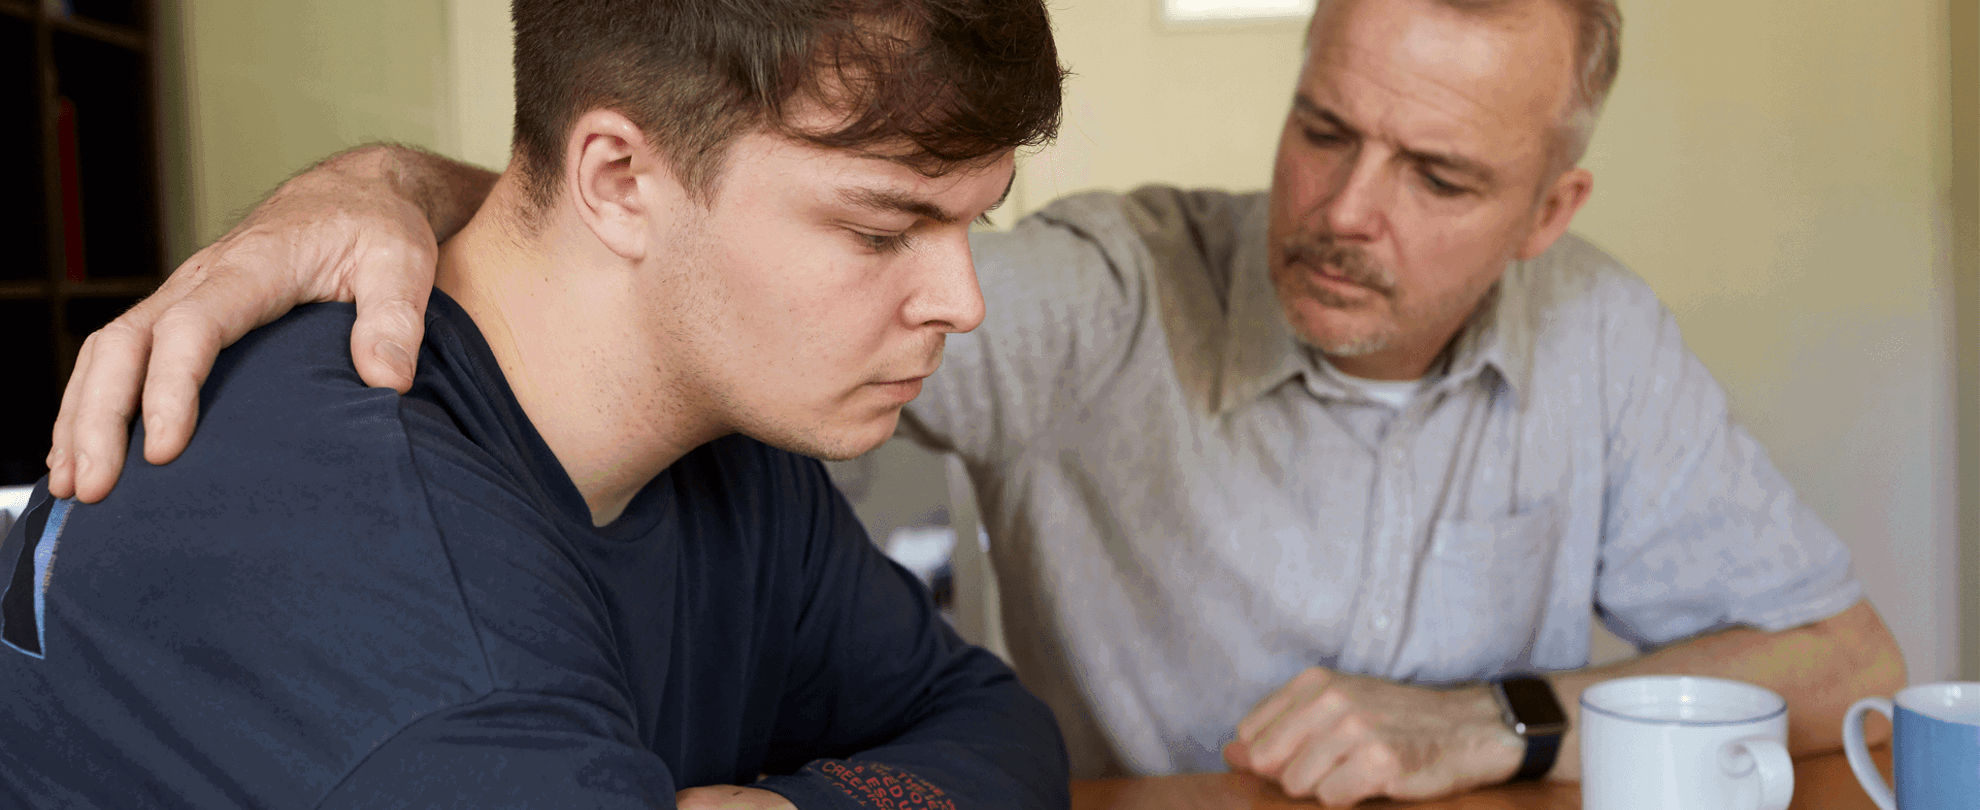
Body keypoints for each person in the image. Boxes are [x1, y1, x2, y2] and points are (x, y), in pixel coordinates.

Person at [46, 0, 1907, 805]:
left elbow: (992, 726)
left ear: (1549, 213)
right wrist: (382, 181)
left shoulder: (1600, 337)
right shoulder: (1097, 295)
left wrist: (1495, 722)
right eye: (1323, 128)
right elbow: (667, 220)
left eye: (1438, 176)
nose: (1343, 212)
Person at [2, 0, 1071, 807]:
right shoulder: (400, 578)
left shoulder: (734, 448)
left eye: (971, 222)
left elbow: (998, 727)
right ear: (617, 179)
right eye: (882, 231)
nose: (963, 302)